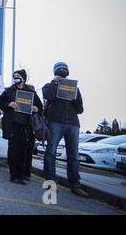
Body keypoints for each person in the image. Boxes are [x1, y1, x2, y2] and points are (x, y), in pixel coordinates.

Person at [42, 62, 89, 197]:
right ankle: (50, 183)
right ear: (55, 72)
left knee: (73, 156)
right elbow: (47, 96)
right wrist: (55, 83)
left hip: (73, 124)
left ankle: (75, 185)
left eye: (65, 69)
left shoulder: (75, 88)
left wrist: (73, 95)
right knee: (51, 152)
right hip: (55, 122)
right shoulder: (49, 85)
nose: (63, 71)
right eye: (60, 70)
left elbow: (80, 109)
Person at [0, 69, 43, 184]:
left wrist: (36, 109)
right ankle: (13, 174)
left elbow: (40, 107)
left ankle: (21, 174)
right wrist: (8, 104)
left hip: (26, 126)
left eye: (18, 76)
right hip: (12, 124)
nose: (15, 78)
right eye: (14, 76)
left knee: (23, 151)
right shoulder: (9, 91)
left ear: (23, 78)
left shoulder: (31, 92)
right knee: (13, 150)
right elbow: (0, 102)